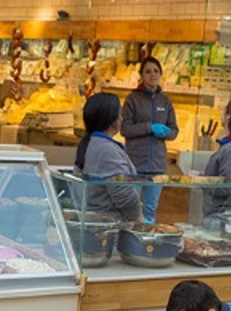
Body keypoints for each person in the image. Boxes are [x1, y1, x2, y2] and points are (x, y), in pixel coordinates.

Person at [121, 57, 179, 223]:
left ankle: (146, 243)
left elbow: (174, 131)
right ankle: (129, 244)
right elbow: (125, 129)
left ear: (160, 74)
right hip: (135, 164)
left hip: (157, 166)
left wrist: (166, 133)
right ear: (141, 76)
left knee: (150, 209)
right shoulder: (132, 99)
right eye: (148, 71)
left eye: (156, 71)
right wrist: (149, 128)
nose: (152, 75)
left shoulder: (165, 101)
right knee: (131, 209)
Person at [76, 92, 142, 223]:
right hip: (109, 227)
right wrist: (139, 221)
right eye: (120, 114)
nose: (122, 118)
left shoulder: (93, 142)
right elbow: (124, 196)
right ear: (112, 119)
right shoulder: (107, 150)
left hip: (96, 223)